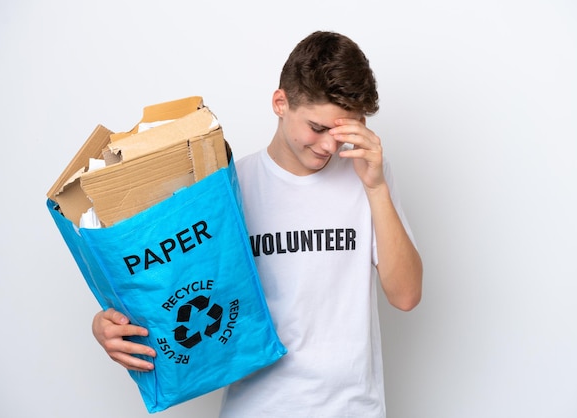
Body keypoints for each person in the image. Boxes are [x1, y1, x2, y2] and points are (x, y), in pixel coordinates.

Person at [92, 30, 423, 417]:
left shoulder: (368, 178)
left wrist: (377, 186)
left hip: (352, 408)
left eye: (342, 131)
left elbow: (406, 296)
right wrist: (107, 325)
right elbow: (174, 286)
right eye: (317, 128)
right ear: (280, 103)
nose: (330, 147)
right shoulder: (227, 189)